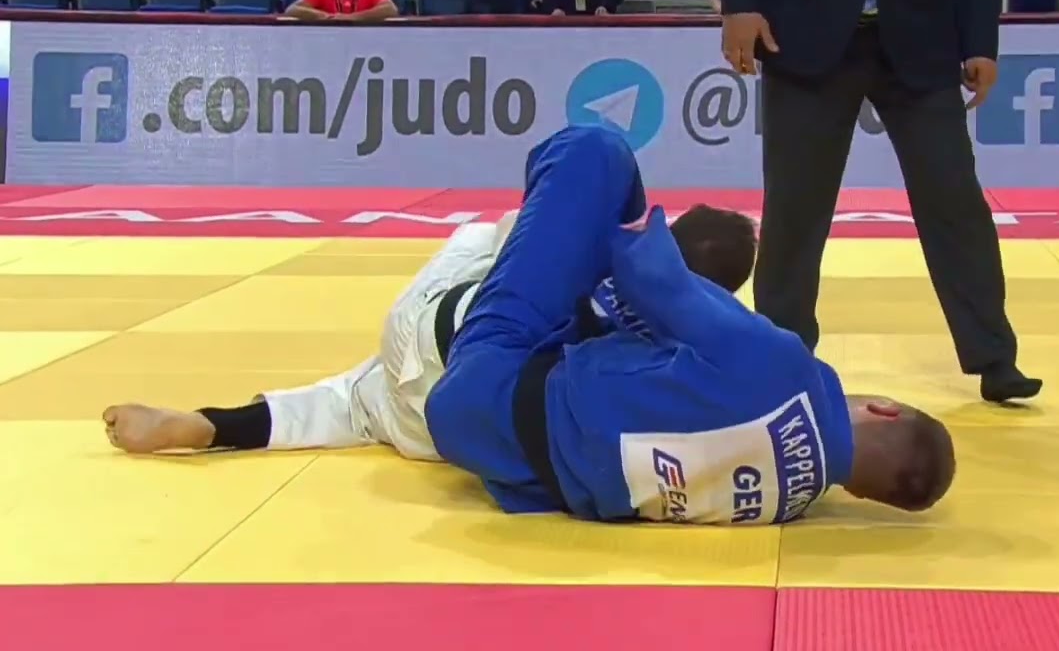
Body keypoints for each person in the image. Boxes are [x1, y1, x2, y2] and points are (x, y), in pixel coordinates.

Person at [425, 124, 955, 524]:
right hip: (518, 472)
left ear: (884, 409)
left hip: (490, 382)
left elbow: (649, 275)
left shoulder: (785, 368)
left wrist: (633, 228)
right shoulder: (784, 506)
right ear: (859, 491)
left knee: (596, 154)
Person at [102, 200, 759, 458]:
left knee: (492, 235)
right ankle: (215, 425)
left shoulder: (610, 248)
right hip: (450, 430)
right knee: (349, 406)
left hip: (428, 330)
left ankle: (207, 424)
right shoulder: (690, 352)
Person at [717, 0, 1041, 403]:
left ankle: (994, 357)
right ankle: (782, 357)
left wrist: (980, 43)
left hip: (921, 34)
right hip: (804, 29)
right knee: (795, 206)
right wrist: (739, 4)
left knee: (954, 199)